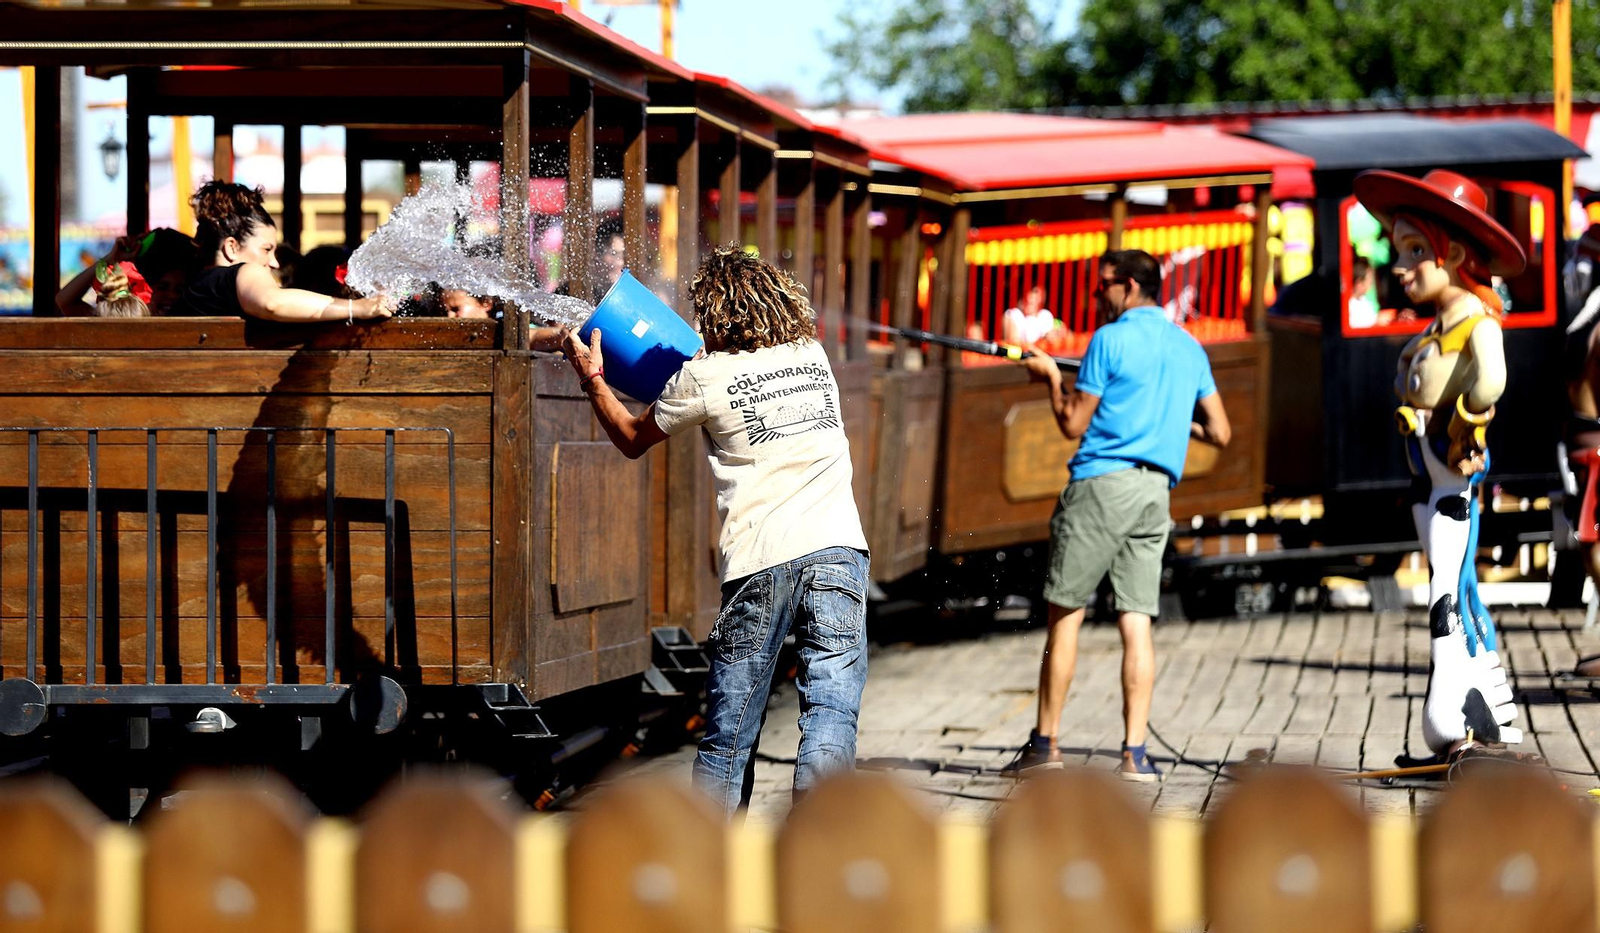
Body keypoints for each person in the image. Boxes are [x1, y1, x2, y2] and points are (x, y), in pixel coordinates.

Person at [561, 245, 869, 815]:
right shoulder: (812, 354)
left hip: (760, 560)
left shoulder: (702, 377)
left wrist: (593, 379)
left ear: (715, 312)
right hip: (839, 552)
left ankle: (713, 869)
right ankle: (822, 852)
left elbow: (631, 438)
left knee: (729, 736)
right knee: (831, 714)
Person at [1007, 249, 1230, 779]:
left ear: (1128, 287)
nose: (1097, 297)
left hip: (1101, 486)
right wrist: (1175, 421)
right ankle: (1135, 754)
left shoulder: (1108, 340)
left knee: (1066, 614)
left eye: (1101, 287)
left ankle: (1045, 747)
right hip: (1156, 493)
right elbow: (1221, 432)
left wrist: (1050, 378)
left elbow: (1071, 423)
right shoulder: (1188, 347)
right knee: (1137, 621)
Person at [1355, 168, 1525, 755]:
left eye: (1416, 250)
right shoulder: (1434, 328)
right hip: (1425, 480)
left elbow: (1493, 380)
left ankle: (1456, 721)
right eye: (1399, 250)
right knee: (1458, 590)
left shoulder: (1476, 322)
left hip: (1450, 479)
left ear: (1452, 254)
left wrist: (1464, 421)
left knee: (1446, 594)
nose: (1401, 266)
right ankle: (1488, 720)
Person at [183, 181, 393, 322]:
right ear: (232, 247)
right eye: (266, 249)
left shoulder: (194, 286)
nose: (274, 263)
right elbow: (272, 302)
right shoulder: (244, 272)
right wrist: (358, 308)